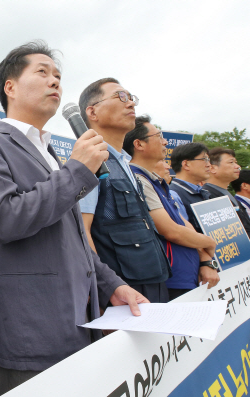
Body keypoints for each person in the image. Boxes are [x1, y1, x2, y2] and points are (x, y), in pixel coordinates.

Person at [0, 41, 147, 396]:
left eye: (58, 76)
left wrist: (112, 286)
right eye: (42, 73)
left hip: (80, 324)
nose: (55, 82)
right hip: (31, 333)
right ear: (10, 87)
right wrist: (77, 171)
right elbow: (5, 219)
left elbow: (73, 240)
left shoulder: (52, 154)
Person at [78, 79, 170, 303]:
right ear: (93, 112)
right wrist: (103, 289)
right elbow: (81, 231)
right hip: (123, 294)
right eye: (120, 97)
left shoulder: (124, 163)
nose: (130, 104)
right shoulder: (89, 162)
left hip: (151, 280)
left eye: (131, 98)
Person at [124, 116, 219, 300]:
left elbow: (183, 224)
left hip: (185, 276)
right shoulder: (136, 179)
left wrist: (205, 260)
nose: (165, 142)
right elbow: (171, 231)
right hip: (172, 280)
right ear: (139, 144)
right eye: (159, 136)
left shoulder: (157, 182)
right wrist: (210, 243)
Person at [202, 148, 250, 233]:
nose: (238, 166)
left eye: (236, 162)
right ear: (212, 168)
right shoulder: (207, 196)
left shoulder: (227, 195)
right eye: (231, 162)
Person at [169, 143, 212, 233]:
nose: (209, 165)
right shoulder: (173, 195)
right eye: (204, 159)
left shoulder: (201, 192)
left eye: (209, 160)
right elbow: (181, 233)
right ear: (186, 164)